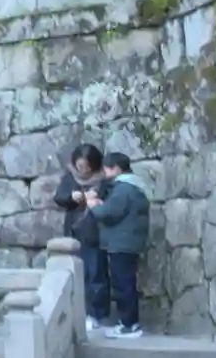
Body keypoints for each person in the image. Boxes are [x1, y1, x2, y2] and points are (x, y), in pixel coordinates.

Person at [87, 152, 151, 339]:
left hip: (121, 244)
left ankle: (129, 326)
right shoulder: (135, 186)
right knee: (127, 283)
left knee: (123, 285)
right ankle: (129, 323)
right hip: (129, 242)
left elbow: (108, 213)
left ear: (115, 168)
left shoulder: (123, 188)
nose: (105, 174)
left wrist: (93, 205)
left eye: (106, 169)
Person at [53, 144, 110, 333]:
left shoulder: (103, 179)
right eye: (80, 166)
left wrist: (96, 198)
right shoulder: (70, 177)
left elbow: (109, 202)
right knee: (76, 276)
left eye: (87, 166)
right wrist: (72, 197)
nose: (83, 170)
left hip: (95, 233)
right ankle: (77, 314)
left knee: (96, 275)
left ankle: (96, 314)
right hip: (74, 231)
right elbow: (59, 197)